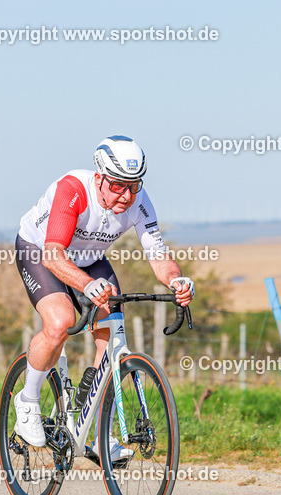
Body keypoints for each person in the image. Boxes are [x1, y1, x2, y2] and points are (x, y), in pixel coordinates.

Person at [12, 135, 194, 464]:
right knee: (61, 322)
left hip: (89, 258)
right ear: (99, 178)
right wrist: (86, 285)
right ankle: (27, 400)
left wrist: (175, 280)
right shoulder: (74, 190)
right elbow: (54, 256)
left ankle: (93, 428)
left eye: (134, 186)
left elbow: (159, 256)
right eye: (118, 186)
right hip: (42, 252)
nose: (126, 195)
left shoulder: (139, 202)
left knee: (111, 335)